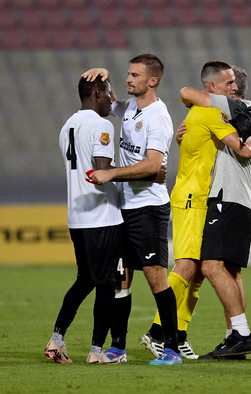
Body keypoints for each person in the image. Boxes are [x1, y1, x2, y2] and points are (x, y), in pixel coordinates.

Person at [140, 62, 251, 360]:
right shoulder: (216, 114)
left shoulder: (227, 113)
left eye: (234, 83)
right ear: (216, 89)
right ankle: (169, 333)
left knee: (200, 269)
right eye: (227, 83)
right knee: (196, 269)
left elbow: (242, 143)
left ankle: (178, 333)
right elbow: (189, 96)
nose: (231, 87)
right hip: (201, 198)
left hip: (217, 198)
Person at [82, 54, 180, 365]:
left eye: (135, 75)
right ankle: (118, 348)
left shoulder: (158, 117)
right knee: (120, 279)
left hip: (148, 209)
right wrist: (104, 75)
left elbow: (153, 164)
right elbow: (106, 100)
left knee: (156, 279)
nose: (128, 80)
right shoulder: (129, 108)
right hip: (123, 209)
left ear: (152, 81)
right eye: (127, 74)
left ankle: (173, 350)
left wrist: (110, 173)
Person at [44, 76, 123, 364]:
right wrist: (140, 172)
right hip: (101, 215)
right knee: (106, 284)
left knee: (85, 279)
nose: (111, 101)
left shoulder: (68, 125)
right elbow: (102, 171)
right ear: (97, 92)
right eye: (108, 95)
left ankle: (57, 339)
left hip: (77, 218)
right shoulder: (102, 125)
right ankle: (97, 351)